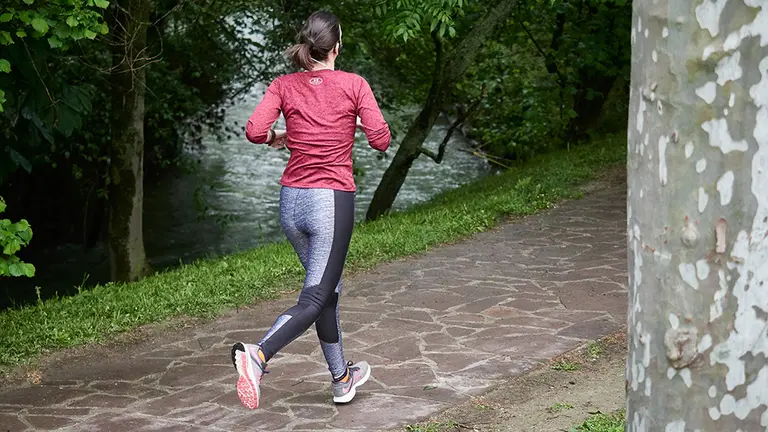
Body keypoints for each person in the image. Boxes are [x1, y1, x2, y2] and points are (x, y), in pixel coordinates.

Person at [230, 10, 391, 410]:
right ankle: (259, 354)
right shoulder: (354, 84)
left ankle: (341, 379)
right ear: (337, 46)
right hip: (329, 202)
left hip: (292, 204)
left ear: (308, 46)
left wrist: (279, 136)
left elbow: (254, 132)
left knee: (325, 292)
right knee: (317, 295)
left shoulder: (284, 84)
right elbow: (381, 141)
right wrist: (357, 123)